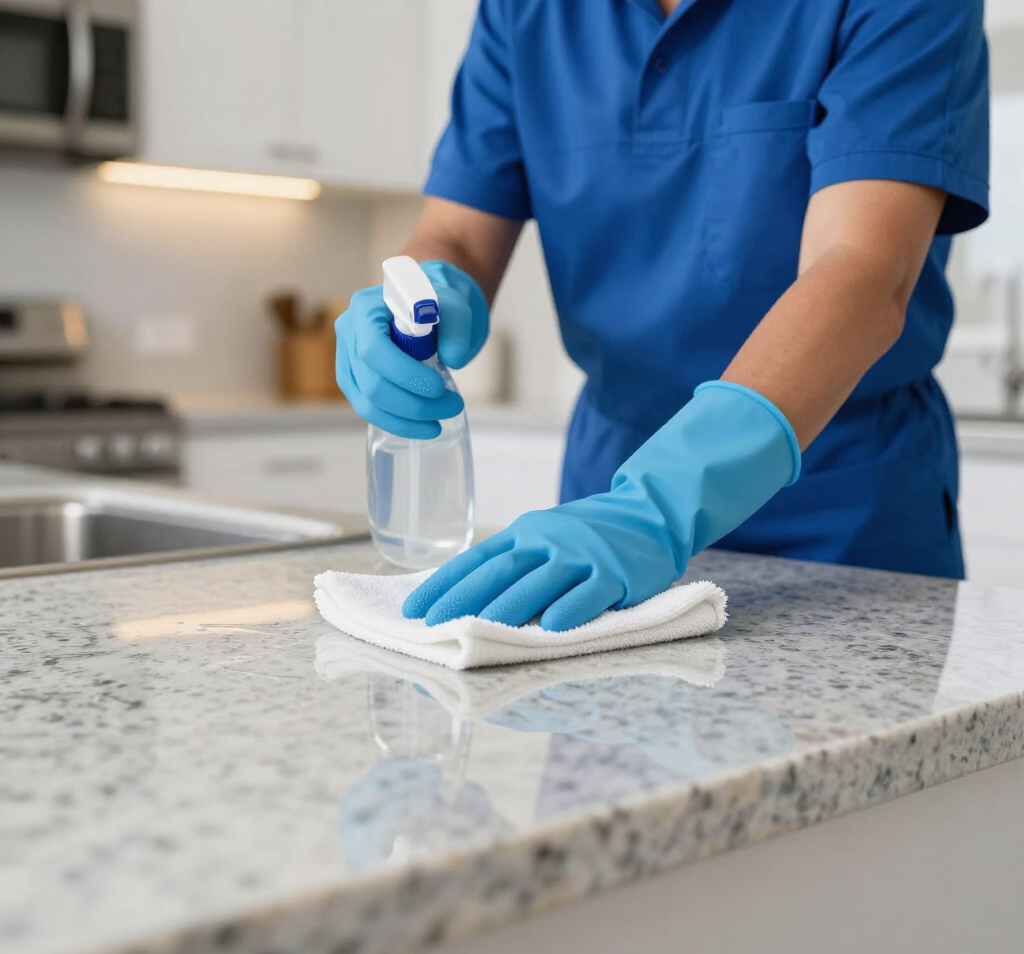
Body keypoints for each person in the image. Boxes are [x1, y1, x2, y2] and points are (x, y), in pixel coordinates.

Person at [336, 0, 989, 632]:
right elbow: (456, 229)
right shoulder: (522, 10)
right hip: (607, 504)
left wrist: (660, 503)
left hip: (838, 517)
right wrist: (421, 290)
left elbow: (865, 269)